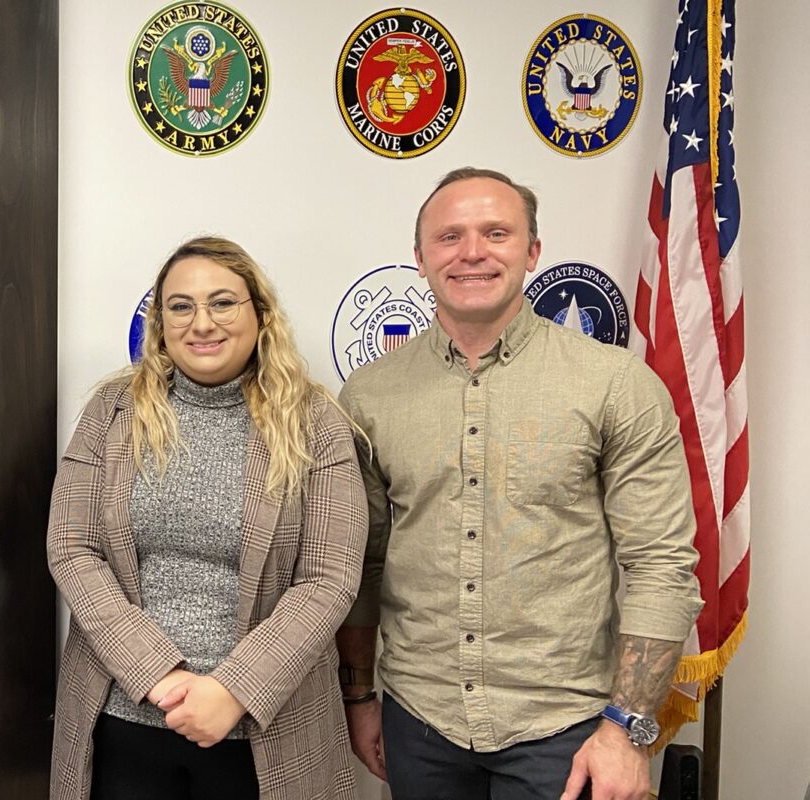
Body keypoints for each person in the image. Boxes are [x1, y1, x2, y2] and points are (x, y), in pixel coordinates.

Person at [336, 167, 704, 800]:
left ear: (533, 251)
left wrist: (627, 732)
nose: (472, 251)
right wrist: (362, 695)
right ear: (419, 257)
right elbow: (363, 563)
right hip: (419, 718)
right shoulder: (370, 395)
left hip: (568, 729)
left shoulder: (615, 383)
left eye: (496, 232)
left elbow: (661, 565)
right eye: (449, 236)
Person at [47, 236, 368, 800]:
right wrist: (157, 675)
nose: (202, 323)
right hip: (121, 718)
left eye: (222, 302)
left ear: (260, 315)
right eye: (180, 305)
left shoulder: (316, 422)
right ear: (160, 322)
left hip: (270, 729)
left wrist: (235, 691)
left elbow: (329, 577)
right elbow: (72, 548)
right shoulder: (112, 411)